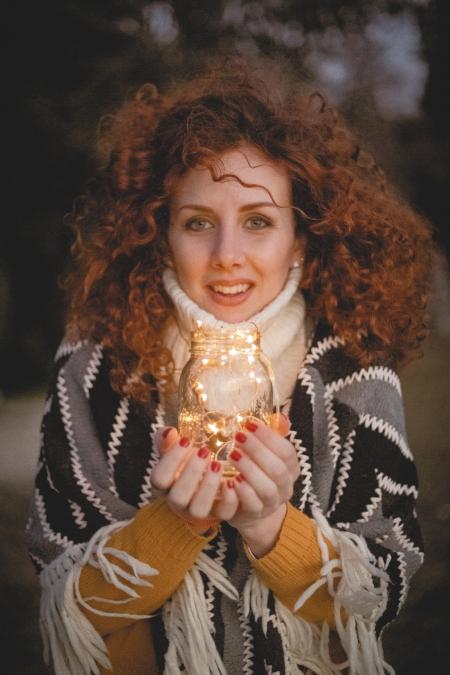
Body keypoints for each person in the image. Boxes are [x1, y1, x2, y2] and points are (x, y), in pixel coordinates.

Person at [25, 55, 434, 675]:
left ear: (298, 236)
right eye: (197, 224)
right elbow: (68, 599)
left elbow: (380, 593)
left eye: (258, 222)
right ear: (160, 230)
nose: (227, 256)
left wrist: (273, 527)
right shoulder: (95, 366)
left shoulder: (355, 370)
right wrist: (171, 527)